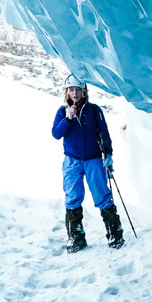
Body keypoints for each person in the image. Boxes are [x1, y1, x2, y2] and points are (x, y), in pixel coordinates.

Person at [51, 77, 122, 251]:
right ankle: (76, 238)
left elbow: (104, 132)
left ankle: (114, 234)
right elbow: (56, 133)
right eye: (71, 90)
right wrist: (68, 119)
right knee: (72, 197)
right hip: (72, 160)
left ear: (84, 91)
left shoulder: (94, 110)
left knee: (102, 195)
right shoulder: (62, 111)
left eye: (78, 90)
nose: (75, 93)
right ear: (67, 92)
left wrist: (109, 154)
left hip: (94, 159)